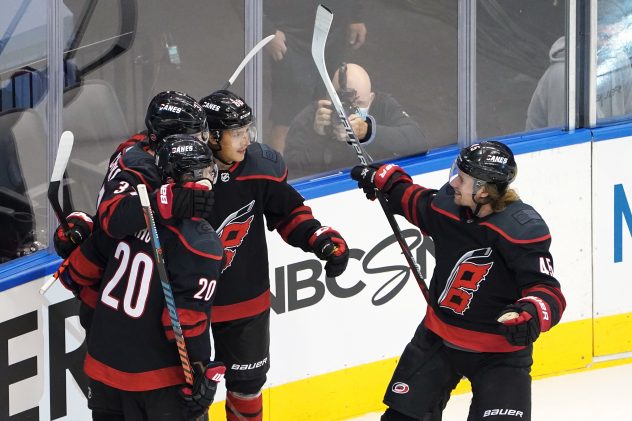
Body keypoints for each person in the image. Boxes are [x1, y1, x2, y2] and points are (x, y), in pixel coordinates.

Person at [350, 141, 566, 420]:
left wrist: (531, 313)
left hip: (499, 354)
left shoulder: (521, 229)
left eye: (462, 179)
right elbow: (414, 201)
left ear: (484, 191)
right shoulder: (447, 208)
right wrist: (388, 181)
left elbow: (547, 290)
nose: (453, 182)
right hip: (438, 339)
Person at [198, 89, 350, 420]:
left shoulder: (260, 165)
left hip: (245, 301)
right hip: (190, 305)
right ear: (210, 136)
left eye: (248, 130)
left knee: (247, 385)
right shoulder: (183, 171)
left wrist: (319, 238)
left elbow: (288, 213)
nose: (246, 140)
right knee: (190, 394)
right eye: (236, 133)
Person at [58, 134, 225, 420]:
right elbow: (186, 324)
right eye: (208, 172)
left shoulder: (128, 218)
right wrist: (201, 374)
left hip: (104, 368)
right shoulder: (200, 242)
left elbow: (76, 275)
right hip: (159, 379)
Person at [284, 62, 428, 178]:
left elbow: (419, 142)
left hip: (374, 182)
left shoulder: (382, 105)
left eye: (358, 104)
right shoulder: (315, 115)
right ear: (328, 98)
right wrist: (316, 136)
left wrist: (368, 131)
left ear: (371, 98)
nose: (349, 112)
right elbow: (292, 171)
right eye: (341, 105)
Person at [263, 1, 367, 153]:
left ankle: (317, 171)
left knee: (331, 112)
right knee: (287, 119)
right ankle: (274, 175)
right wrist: (266, 29)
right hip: (291, 34)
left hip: (334, 30)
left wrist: (355, 15)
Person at [526, 0, 632, 129]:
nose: (610, 46)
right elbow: (563, 142)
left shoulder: (620, 59)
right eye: (604, 37)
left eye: (616, 37)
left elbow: (628, 118)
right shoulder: (564, 75)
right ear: (584, 33)